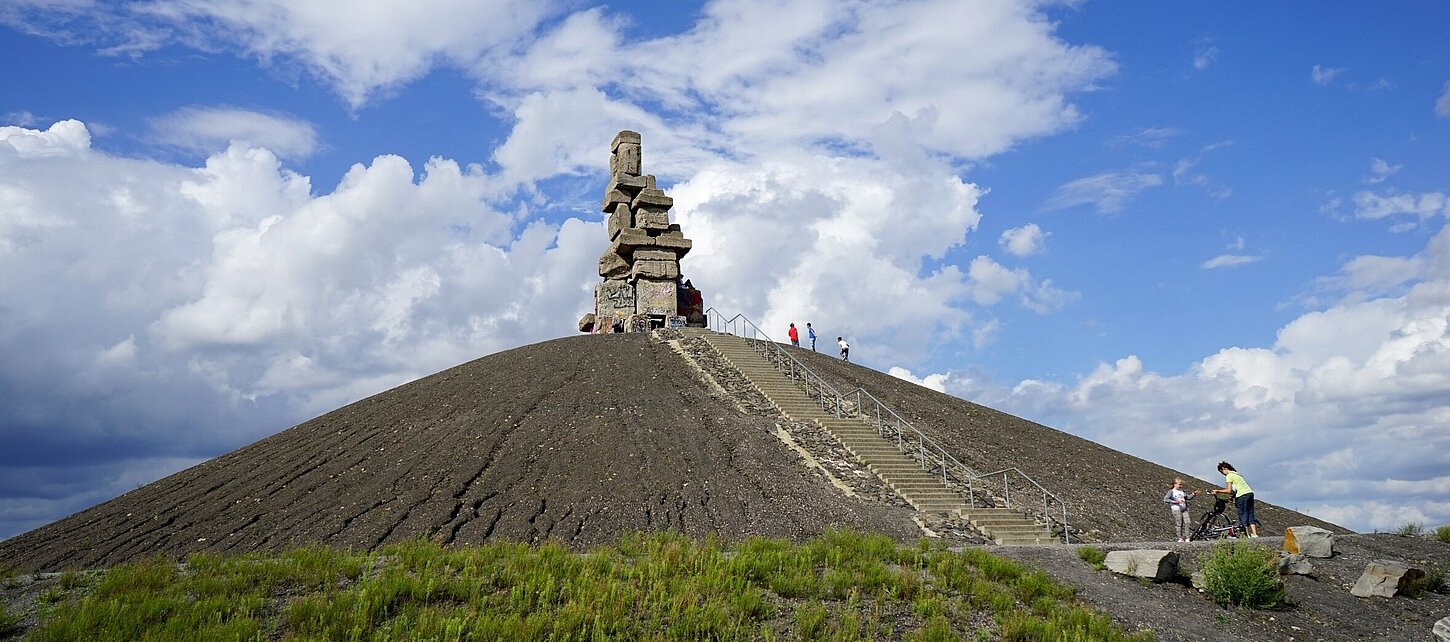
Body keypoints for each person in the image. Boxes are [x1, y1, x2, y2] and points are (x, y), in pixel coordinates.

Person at [1210, 461, 1260, 537]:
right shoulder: (1237, 474)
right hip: (1249, 494)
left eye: (1221, 471)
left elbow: (1228, 490)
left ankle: (1246, 535)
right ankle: (1254, 534)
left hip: (1242, 496)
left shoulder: (1229, 476)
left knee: (1243, 514)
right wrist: (1233, 497)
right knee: (1250, 514)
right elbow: (1235, 489)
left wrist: (1217, 491)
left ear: (1225, 468)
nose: (1222, 474)